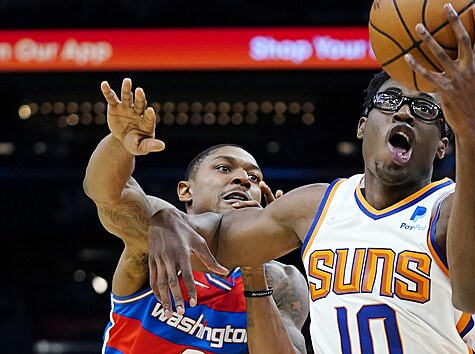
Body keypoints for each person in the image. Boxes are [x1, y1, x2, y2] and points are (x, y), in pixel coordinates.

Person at [148, 4, 475, 353]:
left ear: (442, 145)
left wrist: (472, 129)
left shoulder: (460, 212)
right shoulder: (315, 207)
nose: (404, 112)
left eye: (425, 109)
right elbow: (214, 236)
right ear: (363, 126)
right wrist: (166, 218)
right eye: (389, 102)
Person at [83, 78, 310, 353]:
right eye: (224, 169)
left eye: (253, 177)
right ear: (185, 191)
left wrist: (254, 264)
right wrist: (119, 144)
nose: (243, 179)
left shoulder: (282, 279)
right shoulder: (158, 236)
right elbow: (108, 196)